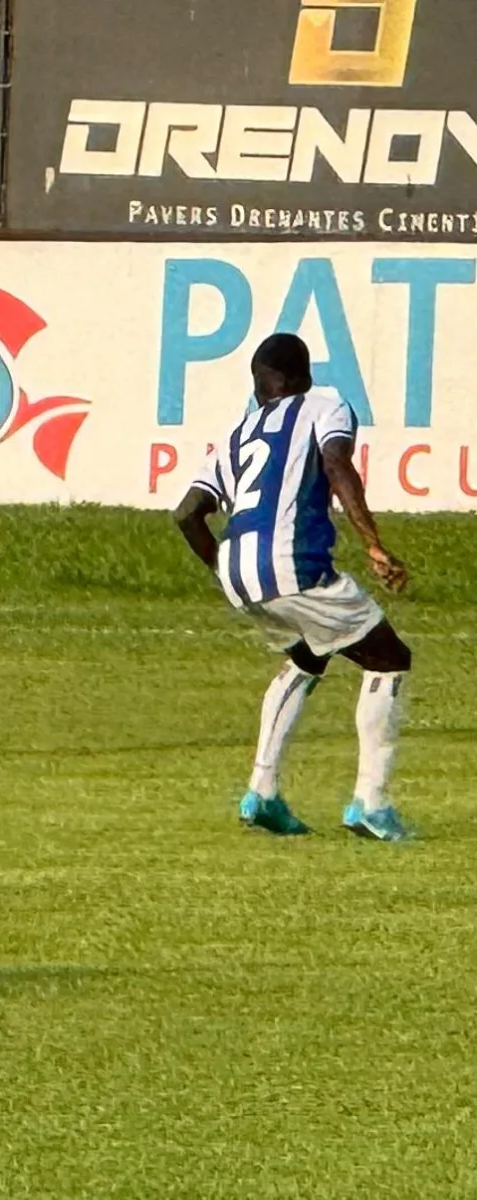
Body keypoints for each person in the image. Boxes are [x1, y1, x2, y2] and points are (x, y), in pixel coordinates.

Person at [172, 333, 413, 841]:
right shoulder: (324, 403)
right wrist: (373, 542)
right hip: (292, 566)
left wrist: (225, 569)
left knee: (308, 658)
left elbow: (188, 513)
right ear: (302, 376)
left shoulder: (237, 434)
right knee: (388, 657)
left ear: (260, 381)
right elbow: (335, 463)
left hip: (239, 574)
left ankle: (262, 792)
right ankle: (371, 803)